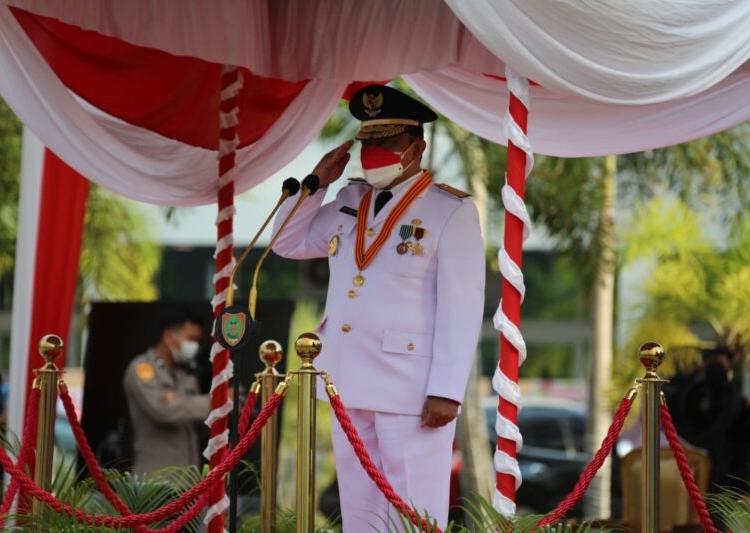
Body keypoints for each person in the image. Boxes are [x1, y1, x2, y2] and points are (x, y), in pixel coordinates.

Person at [271, 84, 485, 530]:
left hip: (411, 389)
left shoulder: (450, 211)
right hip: (348, 379)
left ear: (416, 147)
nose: (374, 153)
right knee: (360, 510)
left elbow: (461, 306)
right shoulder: (350, 200)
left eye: (386, 142)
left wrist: (446, 389)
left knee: (412, 509)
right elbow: (286, 243)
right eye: (368, 142)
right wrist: (315, 184)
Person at [122, 307, 211, 475]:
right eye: (191, 339)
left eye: (197, 340)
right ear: (169, 336)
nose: (195, 346)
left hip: (187, 480)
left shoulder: (186, 375)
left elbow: (194, 423)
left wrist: (221, 414)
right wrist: (211, 402)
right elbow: (163, 410)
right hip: (155, 480)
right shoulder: (142, 369)